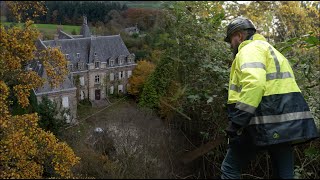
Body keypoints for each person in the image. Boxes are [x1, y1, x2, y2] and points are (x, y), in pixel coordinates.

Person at [221, 17, 319, 179]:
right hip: (286, 123)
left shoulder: (249, 50)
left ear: (239, 36)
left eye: (231, 39)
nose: (230, 45)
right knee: (284, 173)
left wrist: (238, 121)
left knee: (230, 168)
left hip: (261, 121)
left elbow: (255, 84)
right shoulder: (271, 51)